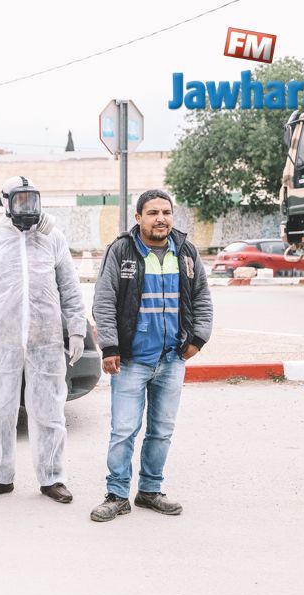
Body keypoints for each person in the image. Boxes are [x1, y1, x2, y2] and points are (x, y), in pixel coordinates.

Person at [90, 189, 213, 523]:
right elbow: (104, 300)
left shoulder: (185, 252)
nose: (161, 219)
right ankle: (117, 495)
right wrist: (110, 347)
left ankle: (150, 490)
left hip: (172, 360)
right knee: (123, 431)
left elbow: (202, 297)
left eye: (166, 212)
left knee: (161, 431)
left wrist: (198, 338)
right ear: (138, 217)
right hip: (132, 361)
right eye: (153, 213)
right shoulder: (122, 251)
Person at [0, 176, 86, 503]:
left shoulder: (52, 238)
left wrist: (76, 329)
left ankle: (52, 478)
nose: (27, 207)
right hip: (1, 340)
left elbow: (70, 288)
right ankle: (0, 476)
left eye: (32, 199)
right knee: (0, 409)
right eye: (20, 200)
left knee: (50, 411)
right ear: (6, 201)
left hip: (46, 341)